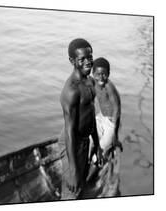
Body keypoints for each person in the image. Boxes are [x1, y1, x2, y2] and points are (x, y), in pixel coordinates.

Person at [60, 38, 102, 196]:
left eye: (90, 57)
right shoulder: (71, 91)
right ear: (72, 61)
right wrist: (73, 171)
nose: (88, 62)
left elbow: (90, 116)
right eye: (81, 59)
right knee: (72, 189)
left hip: (84, 141)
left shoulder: (90, 82)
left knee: (82, 183)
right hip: (71, 142)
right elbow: (69, 132)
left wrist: (97, 145)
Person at [92, 57, 123, 157]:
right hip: (101, 117)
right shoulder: (93, 83)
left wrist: (115, 134)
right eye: (98, 74)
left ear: (108, 74)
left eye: (104, 74)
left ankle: (109, 149)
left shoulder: (109, 87)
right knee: (90, 140)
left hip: (111, 122)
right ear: (93, 74)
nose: (101, 77)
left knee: (102, 148)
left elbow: (117, 110)